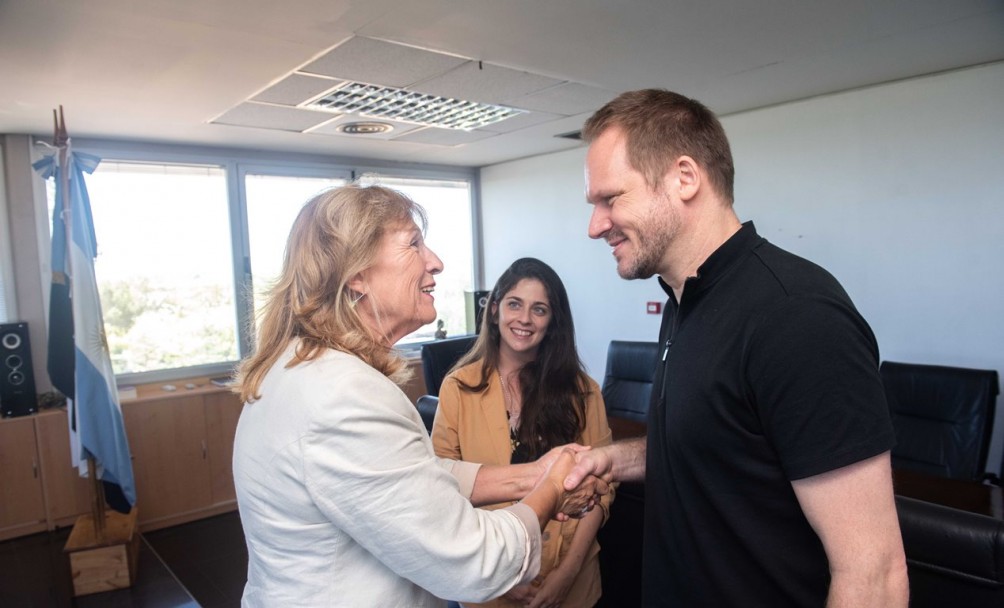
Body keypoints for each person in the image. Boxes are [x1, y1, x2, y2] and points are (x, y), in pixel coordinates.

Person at [565, 89, 909, 606]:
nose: (595, 226)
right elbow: (717, 445)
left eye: (609, 199)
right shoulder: (685, 301)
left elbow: (874, 574)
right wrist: (612, 461)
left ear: (685, 178)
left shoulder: (796, 317)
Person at [231, 185, 606, 607]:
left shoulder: (307, 371)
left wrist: (532, 474)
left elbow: (413, 476)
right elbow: (475, 559)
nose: (436, 262)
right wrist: (555, 485)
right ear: (357, 273)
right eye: (414, 244)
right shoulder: (343, 396)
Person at [432, 257, 614, 608]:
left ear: (553, 321)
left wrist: (567, 573)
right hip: (487, 577)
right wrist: (499, 576)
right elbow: (442, 491)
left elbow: (602, 492)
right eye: (515, 304)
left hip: (570, 580)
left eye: (540, 309)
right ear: (496, 309)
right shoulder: (458, 388)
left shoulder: (584, 391)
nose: (525, 319)